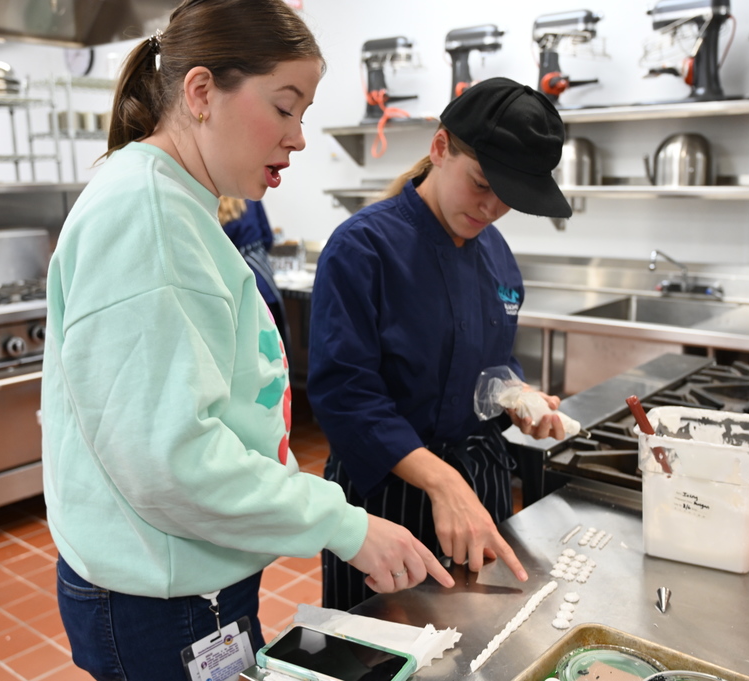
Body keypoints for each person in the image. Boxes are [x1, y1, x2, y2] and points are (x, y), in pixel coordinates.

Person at [40, 2, 452, 680]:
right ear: (201, 92)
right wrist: (343, 524)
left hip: (187, 573)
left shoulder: (177, 204)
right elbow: (171, 460)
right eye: (285, 107)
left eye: (304, 113)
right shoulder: (147, 216)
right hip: (163, 597)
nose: (297, 138)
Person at [307, 77, 573, 611]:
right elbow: (345, 394)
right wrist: (441, 481)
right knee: (383, 653)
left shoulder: (496, 256)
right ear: (439, 147)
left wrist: (518, 397)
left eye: (509, 199)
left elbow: (491, 364)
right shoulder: (363, 248)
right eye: (481, 184)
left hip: (478, 487)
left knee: (478, 646)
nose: (492, 209)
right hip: (387, 496)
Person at [218, 196, 292, 355]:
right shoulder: (249, 197)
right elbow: (268, 238)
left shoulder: (210, 204)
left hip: (232, 286)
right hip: (262, 282)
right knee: (275, 348)